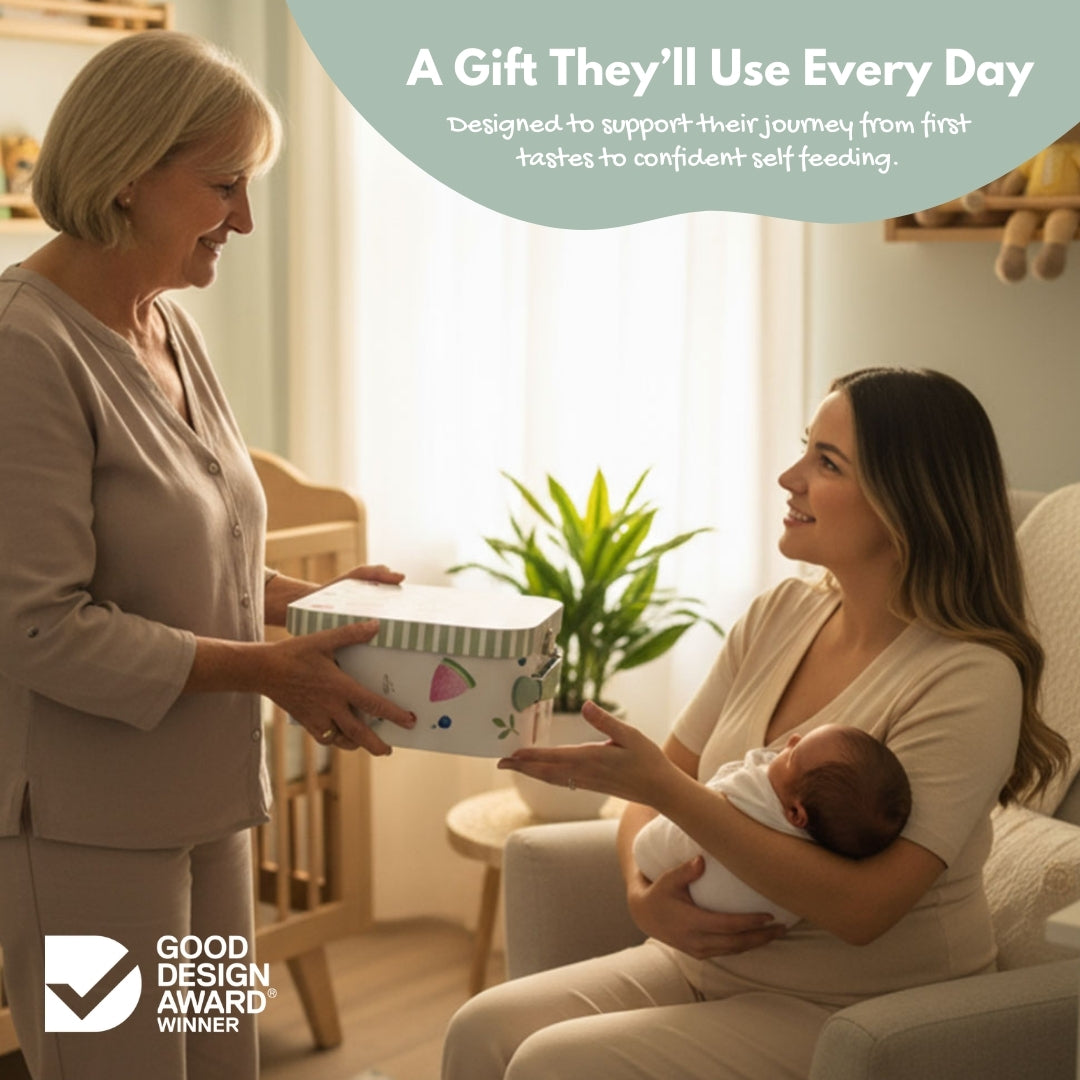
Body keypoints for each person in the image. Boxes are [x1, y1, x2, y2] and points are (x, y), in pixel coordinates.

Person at [443, 367, 1071, 1080]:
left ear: (907, 505)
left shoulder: (968, 676)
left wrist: (674, 795)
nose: (788, 477)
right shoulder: (782, 614)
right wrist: (644, 897)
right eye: (807, 448)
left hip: (854, 1010)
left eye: (826, 463)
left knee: (552, 1064)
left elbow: (864, 910)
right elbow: (653, 786)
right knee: (481, 1030)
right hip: (701, 969)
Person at [0, 32, 414, 1080]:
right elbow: (36, 626)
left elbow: (201, 553)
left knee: (225, 1063)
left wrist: (302, 605)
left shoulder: (166, 327)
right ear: (130, 174)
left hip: (213, 804)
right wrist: (265, 669)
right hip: (86, 824)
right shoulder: (23, 349)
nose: (244, 218)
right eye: (225, 184)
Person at [633, 724, 911, 925]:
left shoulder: (750, 796)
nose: (791, 740)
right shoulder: (827, 844)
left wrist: (644, 869)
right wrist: (641, 903)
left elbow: (649, 846)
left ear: (795, 814)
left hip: (704, 897)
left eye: (792, 755)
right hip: (755, 926)